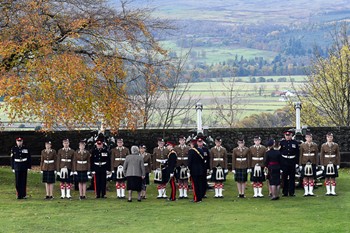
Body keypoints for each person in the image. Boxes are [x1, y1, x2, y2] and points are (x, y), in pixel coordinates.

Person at [279, 130, 299, 197]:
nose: (287, 137)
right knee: (284, 177)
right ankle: (285, 192)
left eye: (289, 135)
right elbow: (279, 152)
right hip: (284, 161)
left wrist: (297, 162)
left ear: (291, 135)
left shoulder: (295, 143)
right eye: (286, 135)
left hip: (292, 161)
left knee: (292, 177)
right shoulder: (282, 143)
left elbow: (297, 153)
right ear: (284, 136)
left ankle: (291, 192)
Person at [299, 132, 319, 196]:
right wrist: (300, 164)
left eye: (310, 137)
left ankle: (310, 191)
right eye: (307, 137)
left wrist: (316, 164)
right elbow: (301, 155)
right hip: (304, 162)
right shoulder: (302, 145)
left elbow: (316, 155)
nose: (309, 138)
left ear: (311, 138)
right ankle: (306, 191)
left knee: (311, 177)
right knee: (305, 177)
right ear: (305, 138)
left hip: (312, 162)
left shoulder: (315, 145)